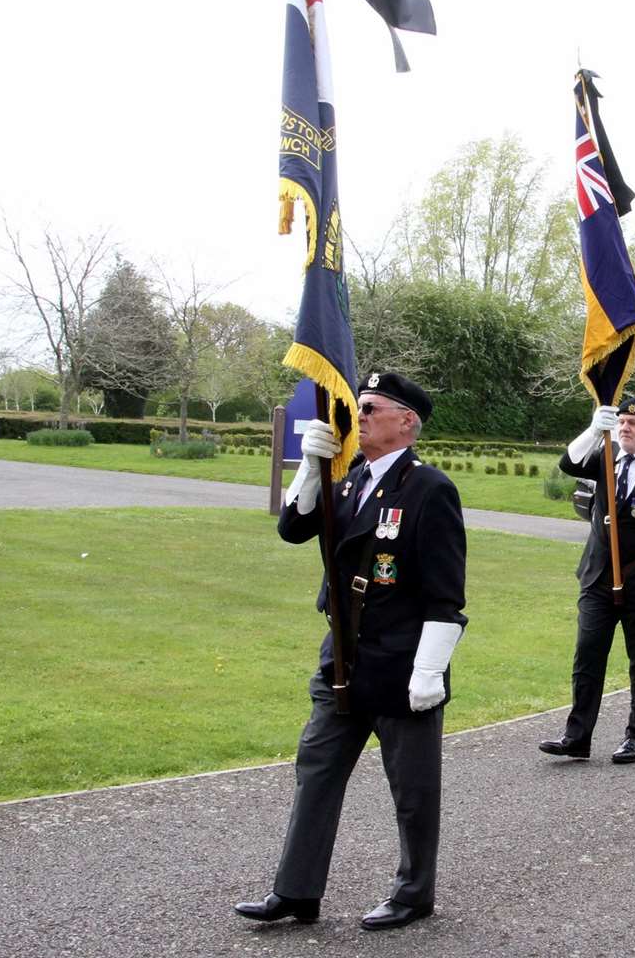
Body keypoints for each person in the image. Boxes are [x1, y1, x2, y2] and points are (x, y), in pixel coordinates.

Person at [234, 371, 466, 931]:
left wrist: (430, 669)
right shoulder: (348, 478)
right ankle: (296, 892)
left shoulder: (428, 489)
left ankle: (414, 894)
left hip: (400, 666)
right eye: (358, 408)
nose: (357, 418)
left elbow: (445, 593)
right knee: (316, 772)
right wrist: (311, 467)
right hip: (341, 659)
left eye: (369, 408)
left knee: (411, 792)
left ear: (406, 421)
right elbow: (293, 528)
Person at [539, 397, 635, 764]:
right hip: (598, 576)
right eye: (622, 423)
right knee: (587, 656)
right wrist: (595, 429)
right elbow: (569, 463)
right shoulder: (605, 457)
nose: (625, 429)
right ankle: (576, 737)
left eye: (634, 424)